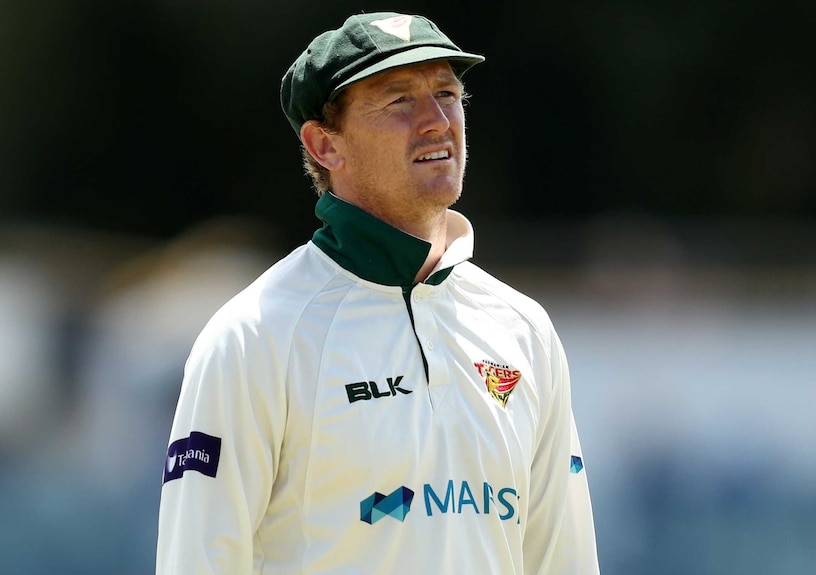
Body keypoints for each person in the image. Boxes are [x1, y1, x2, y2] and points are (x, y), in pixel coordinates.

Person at [155, 11, 600, 575]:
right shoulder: (253, 336)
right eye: (399, 101)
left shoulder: (522, 329)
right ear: (324, 146)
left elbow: (563, 561)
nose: (438, 121)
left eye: (448, 93)